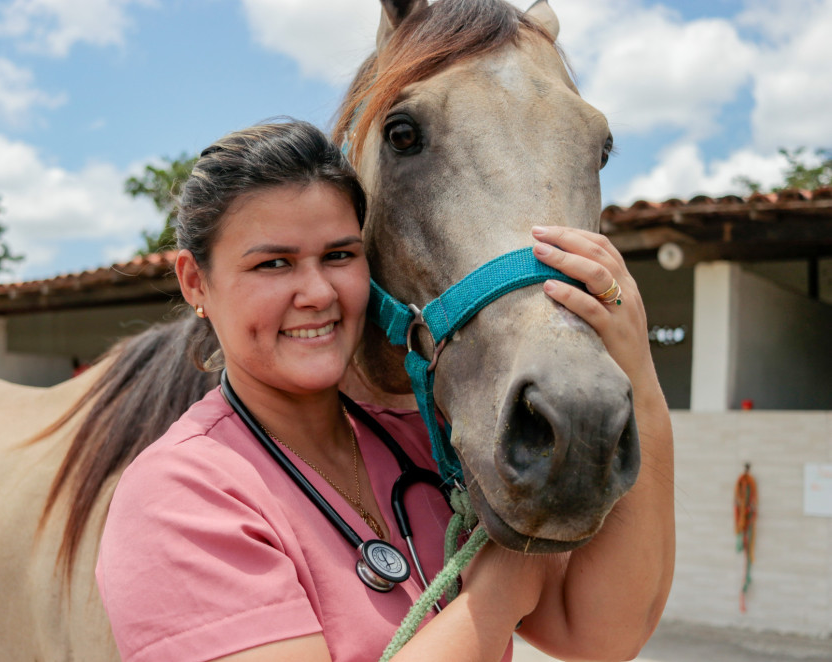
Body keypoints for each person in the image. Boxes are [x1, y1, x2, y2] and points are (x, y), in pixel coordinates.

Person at [96, 120, 674, 662]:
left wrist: (638, 377)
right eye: (274, 264)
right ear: (196, 282)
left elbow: (602, 632)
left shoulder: (428, 449)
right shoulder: (179, 496)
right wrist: (499, 590)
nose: (318, 292)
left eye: (340, 256)